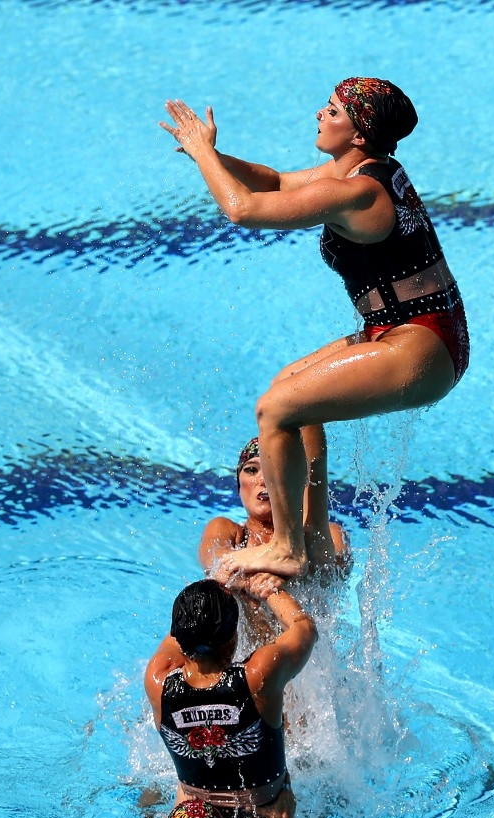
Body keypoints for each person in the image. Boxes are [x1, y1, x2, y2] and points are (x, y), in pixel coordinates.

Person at [161, 77, 469, 581]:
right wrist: (211, 155)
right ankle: (316, 533)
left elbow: (244, 209)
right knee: (289, 387)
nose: (319, 115)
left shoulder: (361, 193)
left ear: (360, 133)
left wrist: (202, 154)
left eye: (332, 110)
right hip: (404, 327)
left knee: (276, 409)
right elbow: (276, 182)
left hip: (424, 341)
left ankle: (288, 546)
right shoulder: (361, 170)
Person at [120, 578, 316, 818]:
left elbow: (180, 637)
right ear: (233, 639)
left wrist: (215, 581)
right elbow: (305, 630)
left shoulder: (157, 680)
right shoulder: (258, 675)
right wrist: (267, 589)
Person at [198, 428, 349, 639]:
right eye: (251, 470)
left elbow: (332, 570)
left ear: (295, 483)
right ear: (238, 486)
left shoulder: (329, 535)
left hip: (309, 662)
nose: (262, 479)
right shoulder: (228, 530)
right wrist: (259, 579)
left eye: (275, 469)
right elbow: (215, 561)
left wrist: (284, 575)